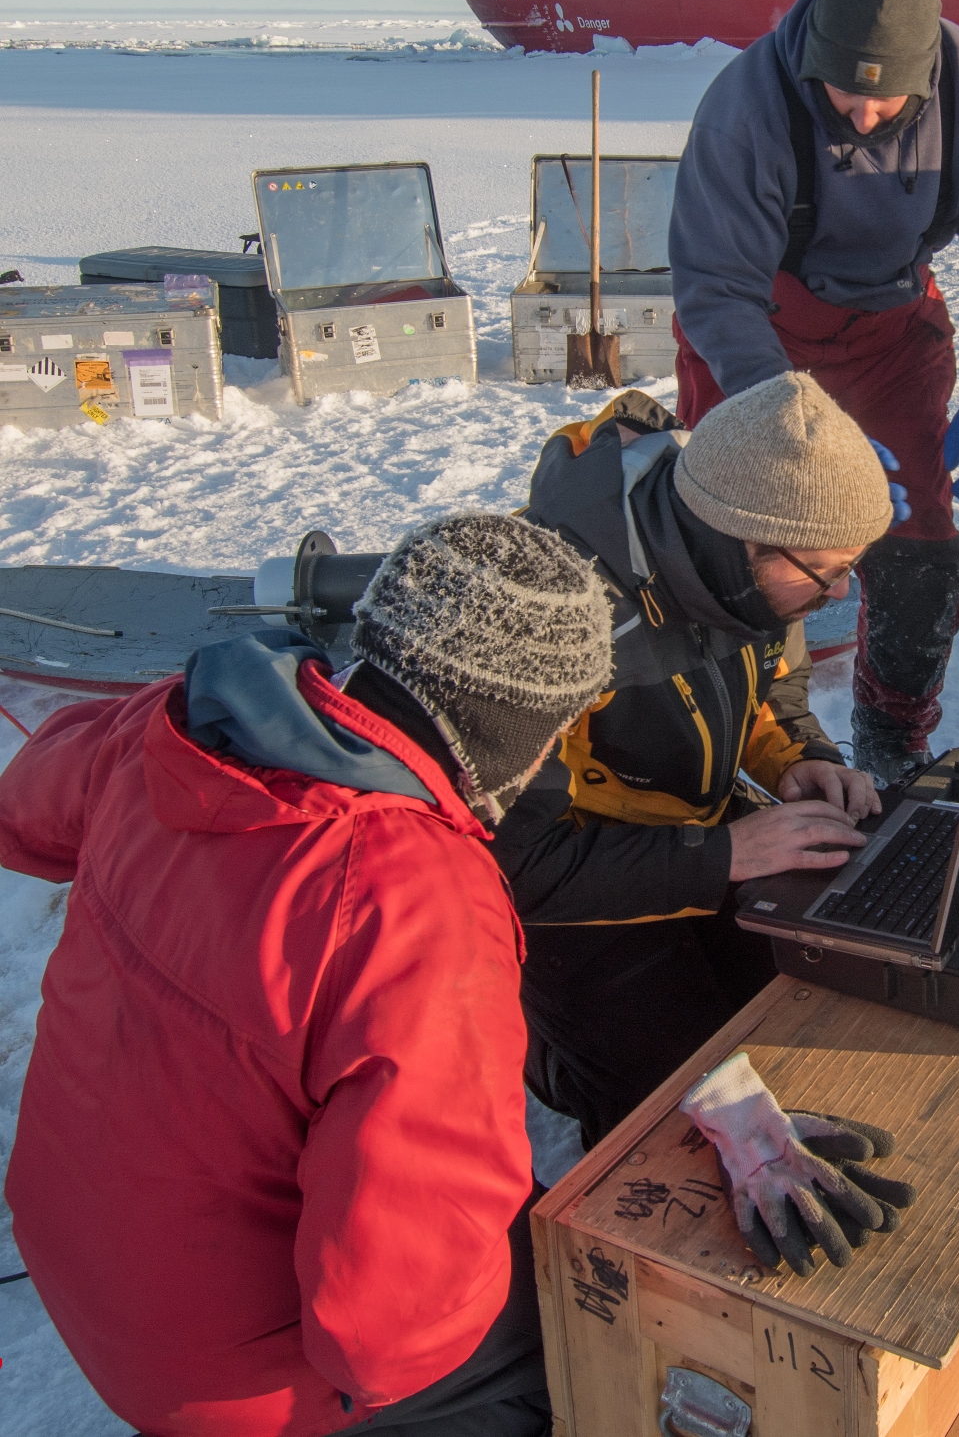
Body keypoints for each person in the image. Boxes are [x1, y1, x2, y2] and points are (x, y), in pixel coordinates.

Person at [0, 513, 614, 1437]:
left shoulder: (180, 724)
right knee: (576, 1327)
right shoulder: (417, 906)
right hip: (219, 1368)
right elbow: (390, 1335)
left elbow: (24, 811)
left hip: (70, 1243)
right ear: (514, 729)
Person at [667, 0, 959, 785]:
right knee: (741, 529)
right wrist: (793, 428)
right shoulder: (745, 110)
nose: (867, 117)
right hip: (761, 324)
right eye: (847, 95)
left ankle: (891, 737)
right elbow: (716, 290)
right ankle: (744, 728)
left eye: (888, 100)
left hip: (890, 326)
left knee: (921, 541)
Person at [494, 375, 894, 1147]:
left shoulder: (756, 572)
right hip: (578, 885)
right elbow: (519, 864)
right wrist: (725, 854)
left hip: (699, 836)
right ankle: (549, 1056)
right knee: (667, 1114)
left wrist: (796, 758)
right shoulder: (547, 612)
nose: (837, 592)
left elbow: (772, 688)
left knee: (807, 1009)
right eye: (824, 574)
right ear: (742, 542)